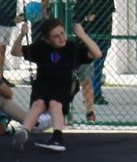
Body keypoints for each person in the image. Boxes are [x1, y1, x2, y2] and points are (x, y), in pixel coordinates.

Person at [11, 16, 100, 151]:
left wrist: (83, 35)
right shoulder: (40, 47)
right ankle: (24, 131)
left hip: (63, 83)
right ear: (47, 39)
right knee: (38, 103)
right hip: (43, 82)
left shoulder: (72, 47)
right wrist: (22, 35)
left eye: (62, 33)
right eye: (55, 36)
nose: (61, 38)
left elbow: (97, 53)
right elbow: (15, 51)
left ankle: (57, 137)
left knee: (55, 104)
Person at [71, 0, 117, 122]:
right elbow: (79, 15)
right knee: (89, 66)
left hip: (102, 35)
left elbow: (106, 15)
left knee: (99, 65)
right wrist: (87, 14)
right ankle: (93, 93)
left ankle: (96, 92)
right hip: (89, 37)